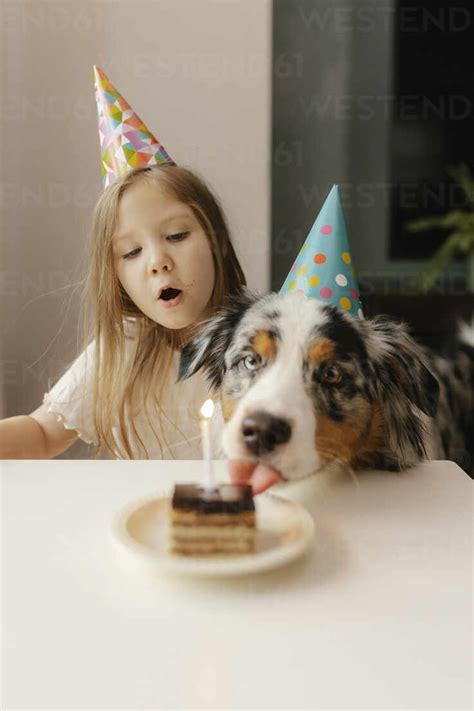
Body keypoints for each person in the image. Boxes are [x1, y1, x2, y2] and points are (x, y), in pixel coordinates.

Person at [0, 163, 246, 461]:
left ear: (217, 239)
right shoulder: (122, 347)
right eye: (131, 252)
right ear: (116, 276)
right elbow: (41, 434)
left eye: (177, 235)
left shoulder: (259, 345)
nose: (157, 261)